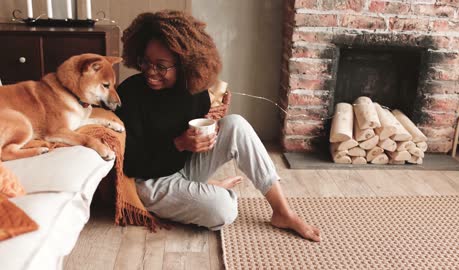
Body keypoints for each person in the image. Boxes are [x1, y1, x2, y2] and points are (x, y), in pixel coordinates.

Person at [115, 10, 321, 242]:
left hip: (182, 166)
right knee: (223, 209)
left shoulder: (194, 92)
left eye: (161, 66)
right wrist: (179, 144)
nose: (151, 72)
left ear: (183, 63)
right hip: (150, 182)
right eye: (145, 62)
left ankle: (282, 211)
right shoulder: (129, 93)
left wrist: (212, 118)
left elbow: (199, 128)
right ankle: (205, 190)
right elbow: (132, 165)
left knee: (236, 124)